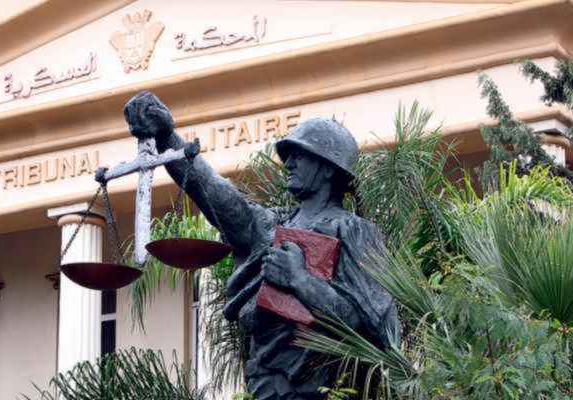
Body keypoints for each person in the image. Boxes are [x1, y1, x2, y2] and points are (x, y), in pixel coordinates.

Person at [124, 91, 398, 400]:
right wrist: (167, 137)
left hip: (326, 390)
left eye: (300, 155)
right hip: (265, 385)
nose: (289, 163)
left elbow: (376, 325)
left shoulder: (354, 231)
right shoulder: (270, 226)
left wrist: (300, 281)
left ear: (327, 168)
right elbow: (216, 194)